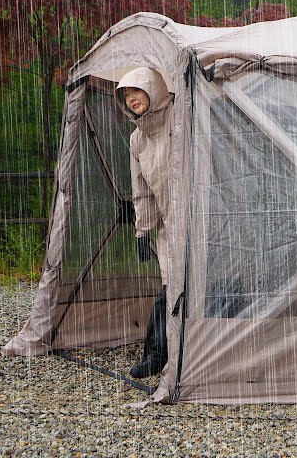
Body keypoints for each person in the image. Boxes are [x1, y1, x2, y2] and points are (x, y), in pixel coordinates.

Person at [116, 67, 173, 379]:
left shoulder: (181, 119)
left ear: (153, 89)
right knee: (171, 287)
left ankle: (168, 353)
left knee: (190, 288)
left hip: (200, 222)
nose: (131, 98)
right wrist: (143, 231)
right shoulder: (137, 139)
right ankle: (158, 355)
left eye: (136, 90)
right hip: (166, 226)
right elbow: (142, 191)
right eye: (126, 94)